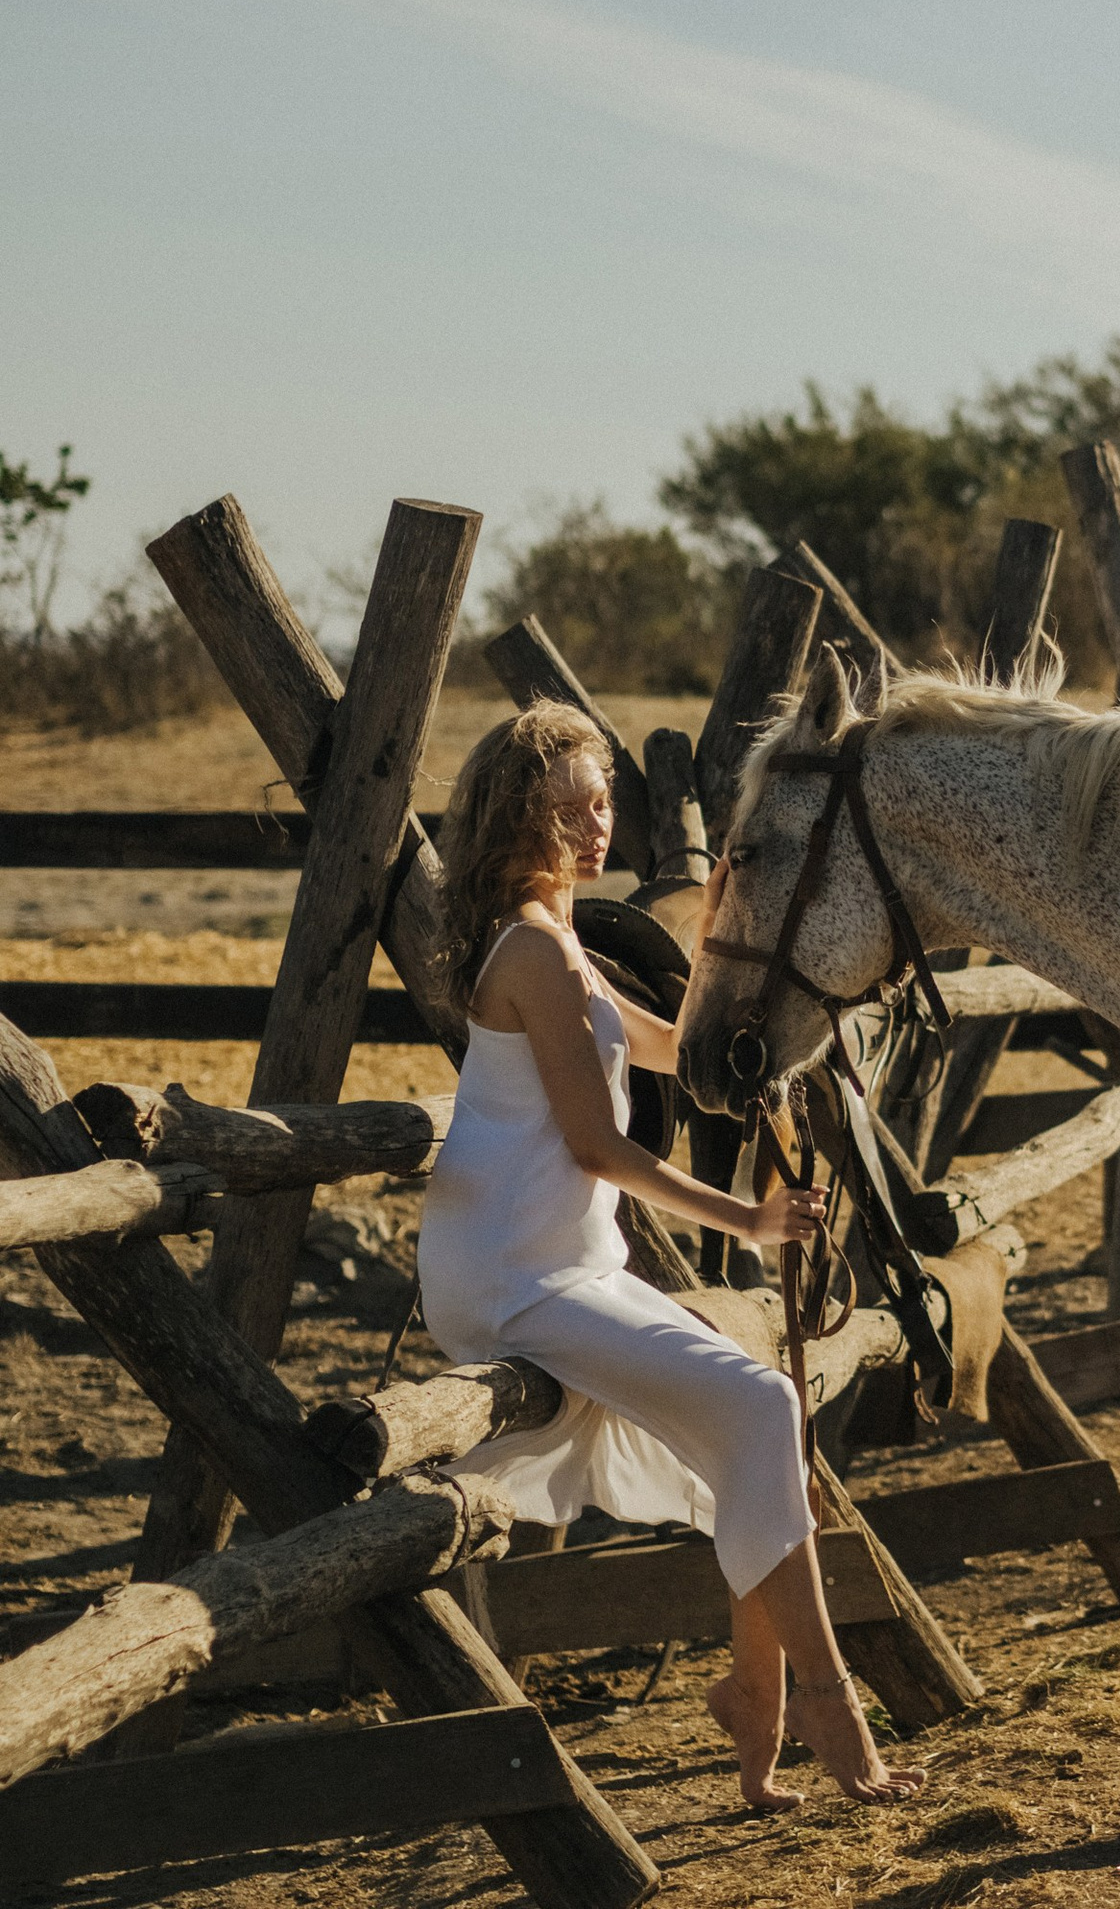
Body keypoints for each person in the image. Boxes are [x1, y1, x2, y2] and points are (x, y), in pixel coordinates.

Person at [417, 700, 922, 1812]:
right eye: (571, 810)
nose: (599, 827)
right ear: (518, 821)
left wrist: (782, 1012)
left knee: (756, 1429)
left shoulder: (563, 944)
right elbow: (597, 1145)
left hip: (568, 1265)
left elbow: (671, 1046)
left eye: (603, 804)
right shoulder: (534, 955)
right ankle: (830, 1715)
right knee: (755, 1408)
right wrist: (749, 1223)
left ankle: (758, 1705)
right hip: (514, 1275)